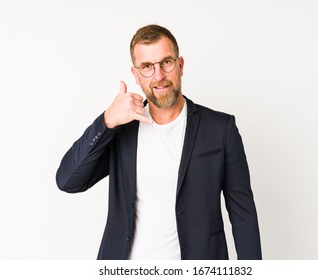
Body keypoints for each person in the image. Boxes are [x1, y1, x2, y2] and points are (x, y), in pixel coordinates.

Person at [56, 24, 262, 260]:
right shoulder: (121, 130)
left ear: (180, 65)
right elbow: (68, 181)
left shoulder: (220, 129)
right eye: (147, 67)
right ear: (136, 74)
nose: (159, 76)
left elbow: (243, 214)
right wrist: (106, 121)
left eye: (166, 62)